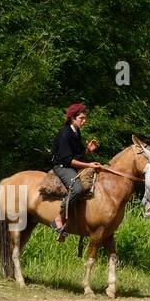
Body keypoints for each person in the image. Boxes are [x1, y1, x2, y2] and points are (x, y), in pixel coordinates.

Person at [50, 102, 100, 241]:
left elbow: (76, 155)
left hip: (71, 166)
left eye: (84, 118)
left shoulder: (76, 131)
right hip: (62, 167)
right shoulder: (65, 133)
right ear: (73, 118)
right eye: (81, 118)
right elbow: (68, 160)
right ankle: (58, 219)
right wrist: (89, 164)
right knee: (77, 189)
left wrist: (87, 151)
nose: (84, 121)